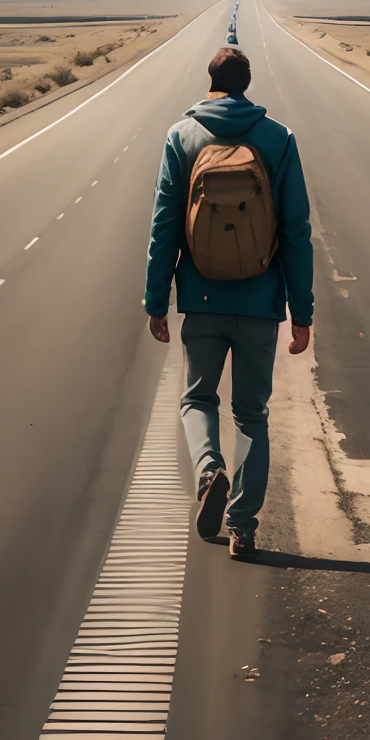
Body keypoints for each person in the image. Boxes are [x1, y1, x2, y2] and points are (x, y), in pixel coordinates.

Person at [143, 44, 313, 560]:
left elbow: (164, 227)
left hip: (202, 297)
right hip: (261, 302)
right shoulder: (278, 138)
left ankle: (208, 470)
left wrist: (157, 300)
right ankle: (242, 528)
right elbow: (296, 233)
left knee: (198, 399)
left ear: (210, 81)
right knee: (252, 416)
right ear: (247, 84)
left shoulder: (183, 135)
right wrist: (301, 315)